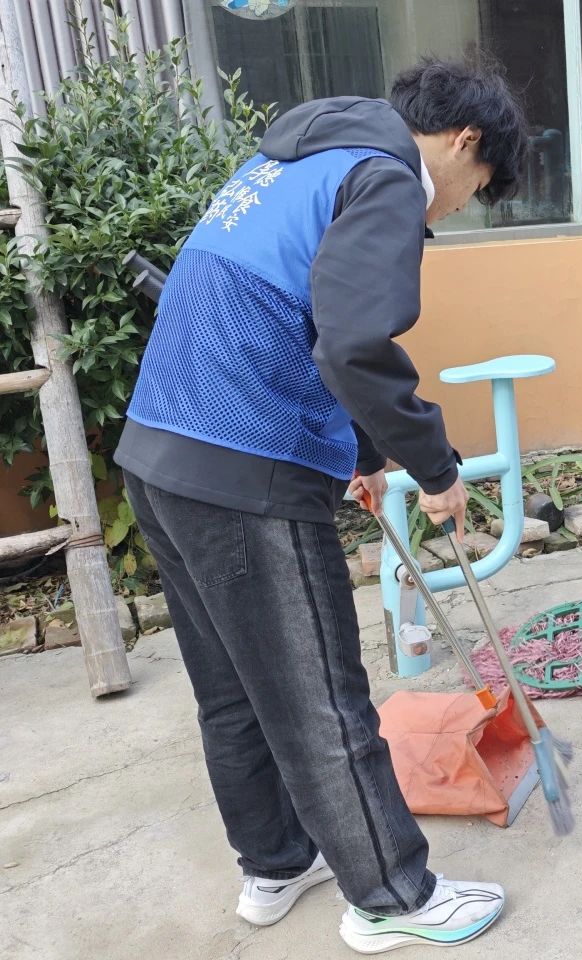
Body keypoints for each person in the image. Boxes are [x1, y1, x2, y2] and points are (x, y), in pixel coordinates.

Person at [114, 57, 527, 951]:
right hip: (243, 470)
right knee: (320, 700)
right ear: (465, 141)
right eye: (478, 186)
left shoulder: (295, 162)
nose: (456, 208)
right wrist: (437, 467)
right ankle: (392, 897)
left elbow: (290, 321)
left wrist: (364, 455)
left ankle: (275, 863)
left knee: (234, 689)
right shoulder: (387, 177)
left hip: (159, 454)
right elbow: (352, 347)